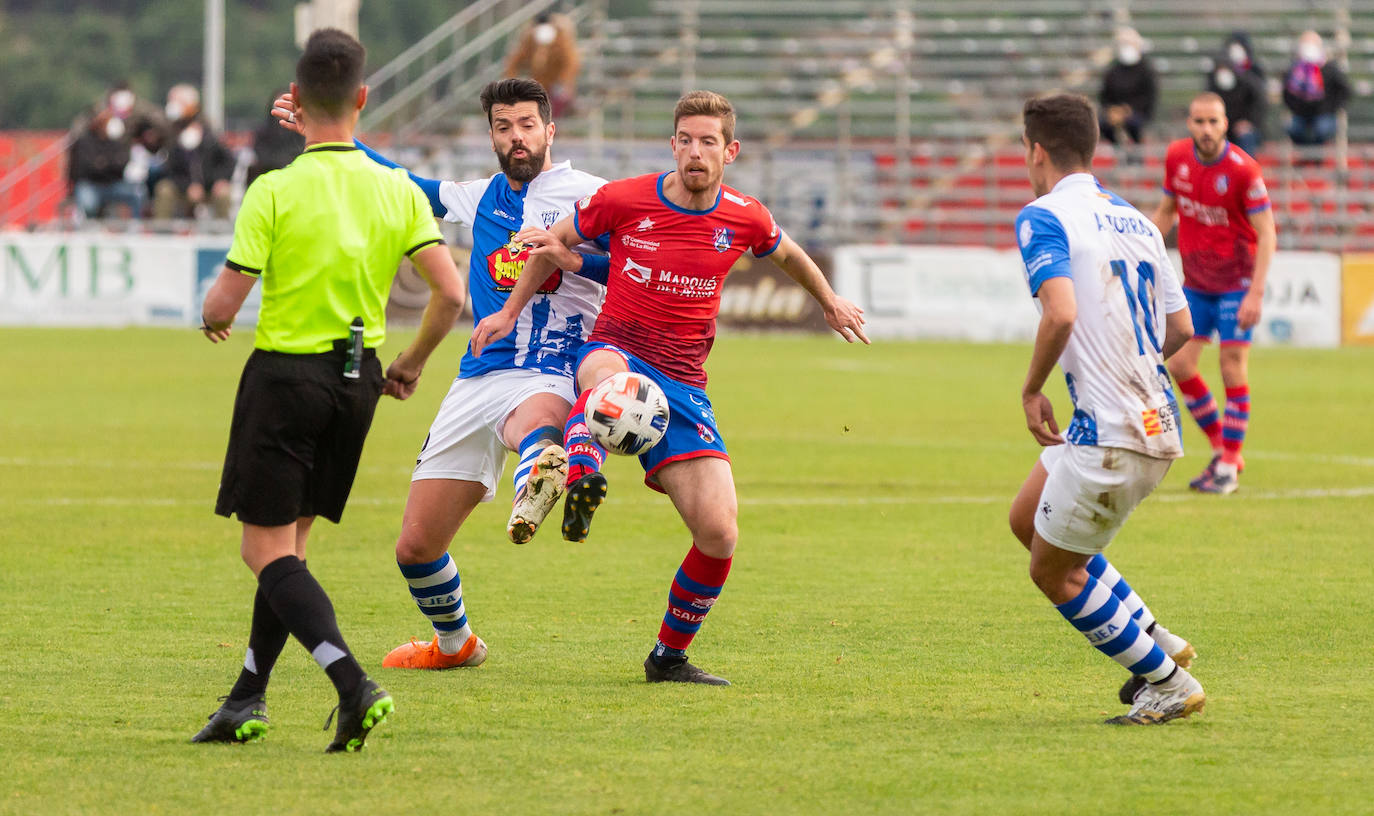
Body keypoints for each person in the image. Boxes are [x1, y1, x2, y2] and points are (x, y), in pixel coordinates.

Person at [470, 90, 870, 685]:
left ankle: (668, 657)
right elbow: (553, 246)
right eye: (685, 139)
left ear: (729, 151)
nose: (695, 152)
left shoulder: (744, 214)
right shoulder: (624, 198)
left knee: (719, 532)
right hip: (617, 348)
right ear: (673, 145)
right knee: (607, 381)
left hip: (684, 381)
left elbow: (787, 253)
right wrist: (509, 311)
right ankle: (580, 474)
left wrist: (830, 300)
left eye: (708, 141)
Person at [271, 77, 609, 671]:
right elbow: (400, 183)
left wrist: (569, 255)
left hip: (550, 365)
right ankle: (456, 645)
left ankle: (546, 470)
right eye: (503, 128)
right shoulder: (482, 196)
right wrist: (328, 135)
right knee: (416, 547)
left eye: (527, 125)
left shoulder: (593, 197)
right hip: (475, 376)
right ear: (492, 136)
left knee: (534, 422)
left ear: (551, 130)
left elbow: (636, 264)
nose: (516, 138)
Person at [190, 29, 465, 752]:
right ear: (363, 99)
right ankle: (246, 698)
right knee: (291, 552)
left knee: (263, 552)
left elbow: (223, 305)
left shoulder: (275, 189)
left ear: (298, 101)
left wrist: (211, 316)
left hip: (286, 377)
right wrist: (410, 363)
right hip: (360, 381)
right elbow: (449, 293)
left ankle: (353, 684)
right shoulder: (397, 188)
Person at [1009, 92, 1204, 725]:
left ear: (1036, 151)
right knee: (1025, 519)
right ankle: (1160, 640)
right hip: (1154, 420)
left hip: (1112, 431)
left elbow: (1061, 311)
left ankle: (1167, 680)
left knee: (1051, 572)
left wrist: (1034, 387)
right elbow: (1181, 326)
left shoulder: (1043, 215)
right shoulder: (1139, 220)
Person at [1151, 93, 1276, 494]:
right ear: (1189, 124)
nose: (1206, 129)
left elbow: (1267, 232)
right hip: (1197, 283)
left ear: (1225, 124)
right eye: (1199, 122)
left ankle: (1225, 469)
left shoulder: (1244, 170)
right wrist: (1146, 245)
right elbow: (1168, 209)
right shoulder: (1177, 158)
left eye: (1213, 122)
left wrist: (1256, 292)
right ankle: (1227, 453)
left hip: (1236, 284)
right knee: (1182, 365)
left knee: (1231, 366)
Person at [152, 83, 236, 219]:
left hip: (209, 186)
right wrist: (187, 186)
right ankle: (162, 229)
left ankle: (221, 232)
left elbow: (228, 160)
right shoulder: (169, 130)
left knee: (224, 193)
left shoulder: (208, 130)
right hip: (182, 186)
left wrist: (220, 180)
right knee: (164, 189)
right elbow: (169, 168)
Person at [503, 10, 580, 119]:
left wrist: (563, 81)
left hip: (557, 84)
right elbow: (514, 61)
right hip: (539, 83)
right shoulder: (530, 40)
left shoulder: (561, 39)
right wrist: (511, 80)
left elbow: (571, 63)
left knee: (557, 101)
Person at [67, 105, 140, 219]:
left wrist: (104, 164)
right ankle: (90, 229)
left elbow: (122, 163)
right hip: (90, 184)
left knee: (136, 195)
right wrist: (108, 165)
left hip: (112, 184)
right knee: (89, 205)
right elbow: (89, 168)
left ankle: (136, 227)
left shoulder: (116, 142)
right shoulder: (85, 142)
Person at [1282, 30, 1350, 146]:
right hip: (1301, 114)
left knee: (1321, 129)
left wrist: (1333, 108)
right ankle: (1306, 158)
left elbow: (1344, 91)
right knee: (1294, 129)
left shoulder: (1331, 68)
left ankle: (1316, 160)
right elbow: (1287, 93)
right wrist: (1296, 108)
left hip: (1325, 113)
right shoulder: (1294, 70)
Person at [1206, 33, 1267, 156]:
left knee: (1247, 139)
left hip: (1244, 127)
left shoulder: (1247, 82)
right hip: (1221, 128)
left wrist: (1250, 123)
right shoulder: (1213, 85)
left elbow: (1260, 103)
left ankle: (1245, 172)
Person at [1098, 27, 1158, 147]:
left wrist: (1128, 110)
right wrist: (1112, 110)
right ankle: (1116, 150)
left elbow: (1149, 97)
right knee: (1103, 125)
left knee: (1134, 125)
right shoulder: (1113, 70)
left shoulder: (1146, 70)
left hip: (1139, 113)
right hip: (1115, 113)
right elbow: (1105, 95)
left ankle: (1136, 155)